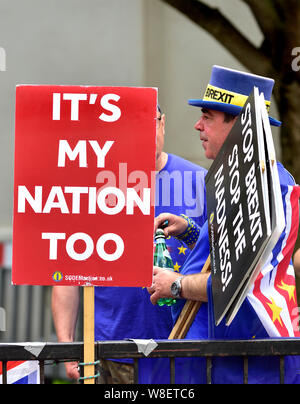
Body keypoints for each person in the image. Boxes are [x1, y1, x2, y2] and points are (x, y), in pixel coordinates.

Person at [147, 65, 300, 384]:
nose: (197, 125)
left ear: (239, 125)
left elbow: (241, 286)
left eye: (207, 116)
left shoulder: (268, 190)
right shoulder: (236, 180)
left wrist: (174, 284)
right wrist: (191, 230)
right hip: (217, 363)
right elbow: (229, 256)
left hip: (250, 369)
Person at [51, 104, 208, 383]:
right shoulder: (93, 186)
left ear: (163, 124)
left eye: (150, 123)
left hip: (183, 348)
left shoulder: (200, 181)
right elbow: (67, 273)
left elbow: (221, 262)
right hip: (112, 351)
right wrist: (67, 344)